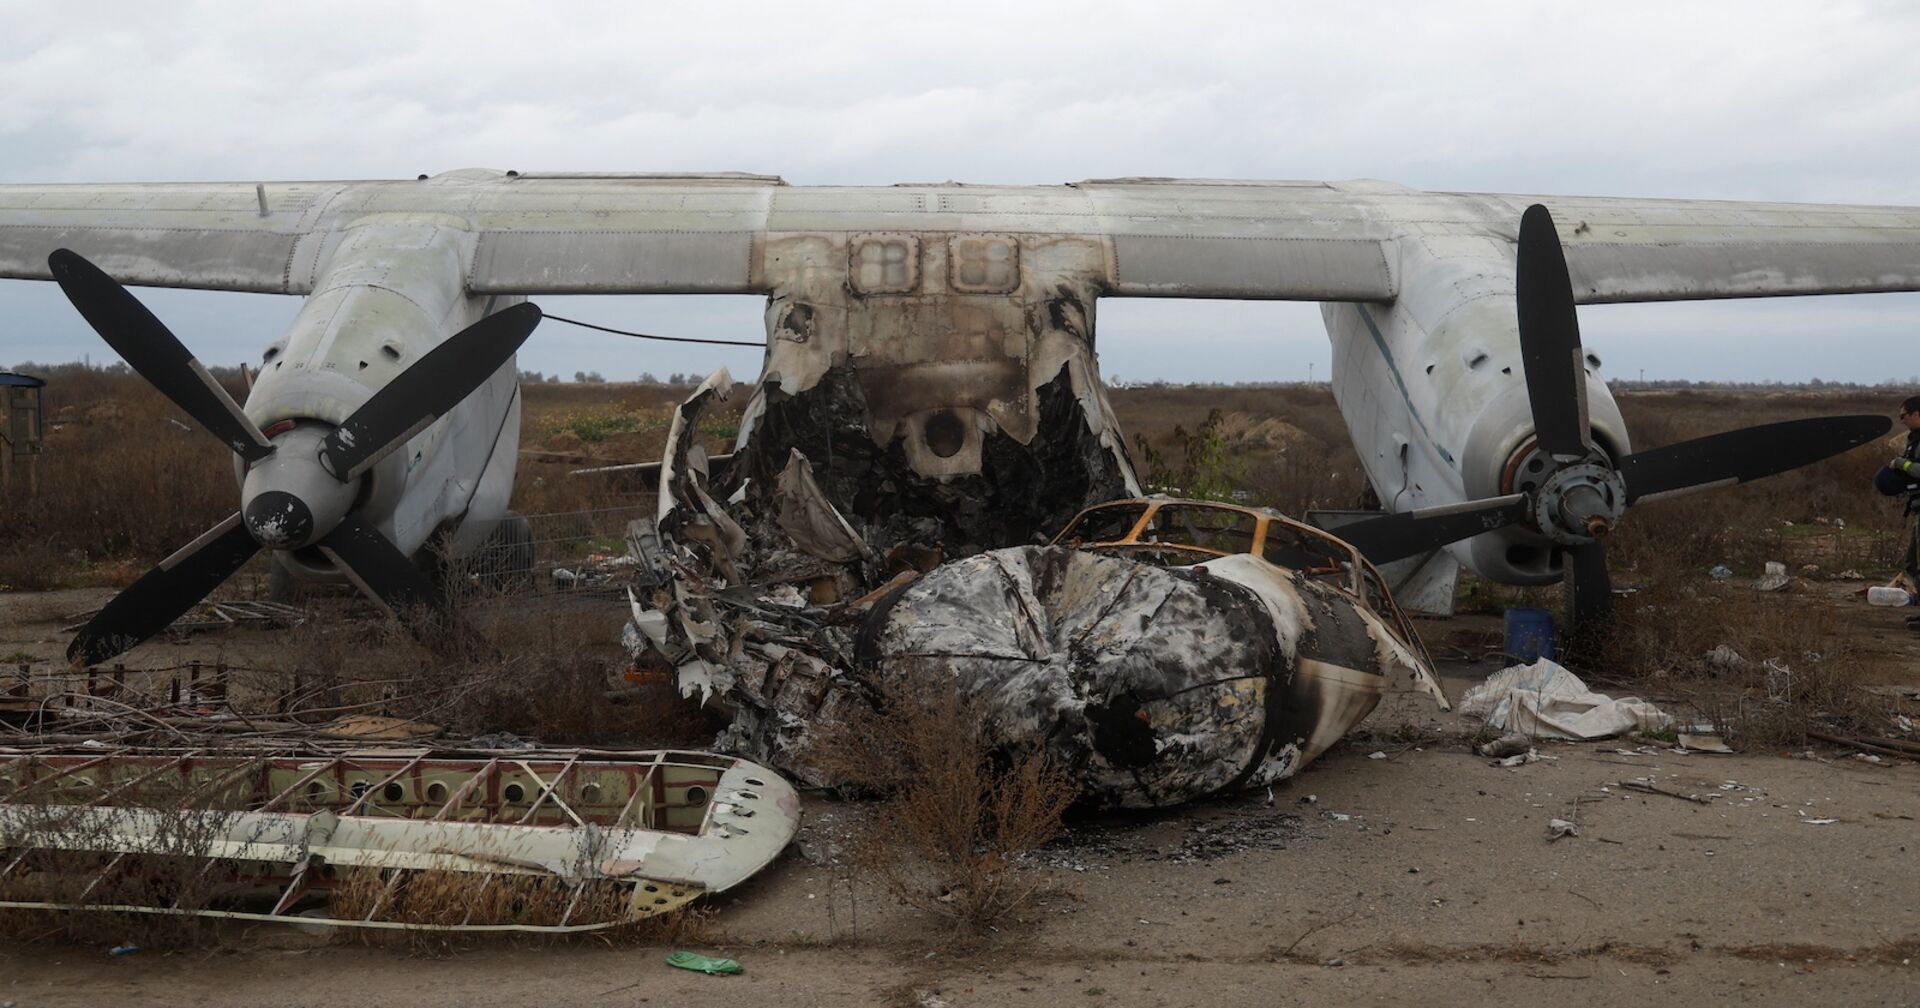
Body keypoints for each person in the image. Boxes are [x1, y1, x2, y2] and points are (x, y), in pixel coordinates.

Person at [1888, 395, 1920, 629]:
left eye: (1904, 416)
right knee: (1912, 563)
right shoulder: (1914, 440)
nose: (1902, 421)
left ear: (1917, 414)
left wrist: (1902, 465)